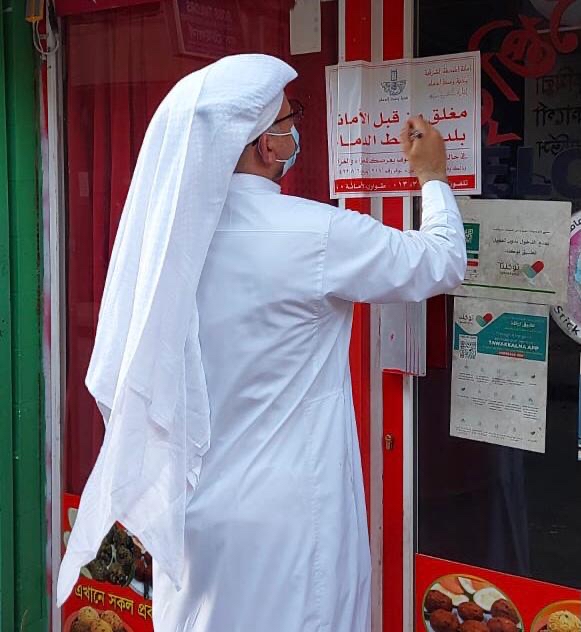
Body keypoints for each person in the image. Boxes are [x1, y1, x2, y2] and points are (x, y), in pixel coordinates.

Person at [57, 54, 466, 632]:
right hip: (291, 521)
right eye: (289, 120)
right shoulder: (314, 234)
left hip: (198, 513)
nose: (294, 133)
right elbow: (441, 262)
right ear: (266, 146)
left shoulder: (168, 249)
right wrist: (434, 176)